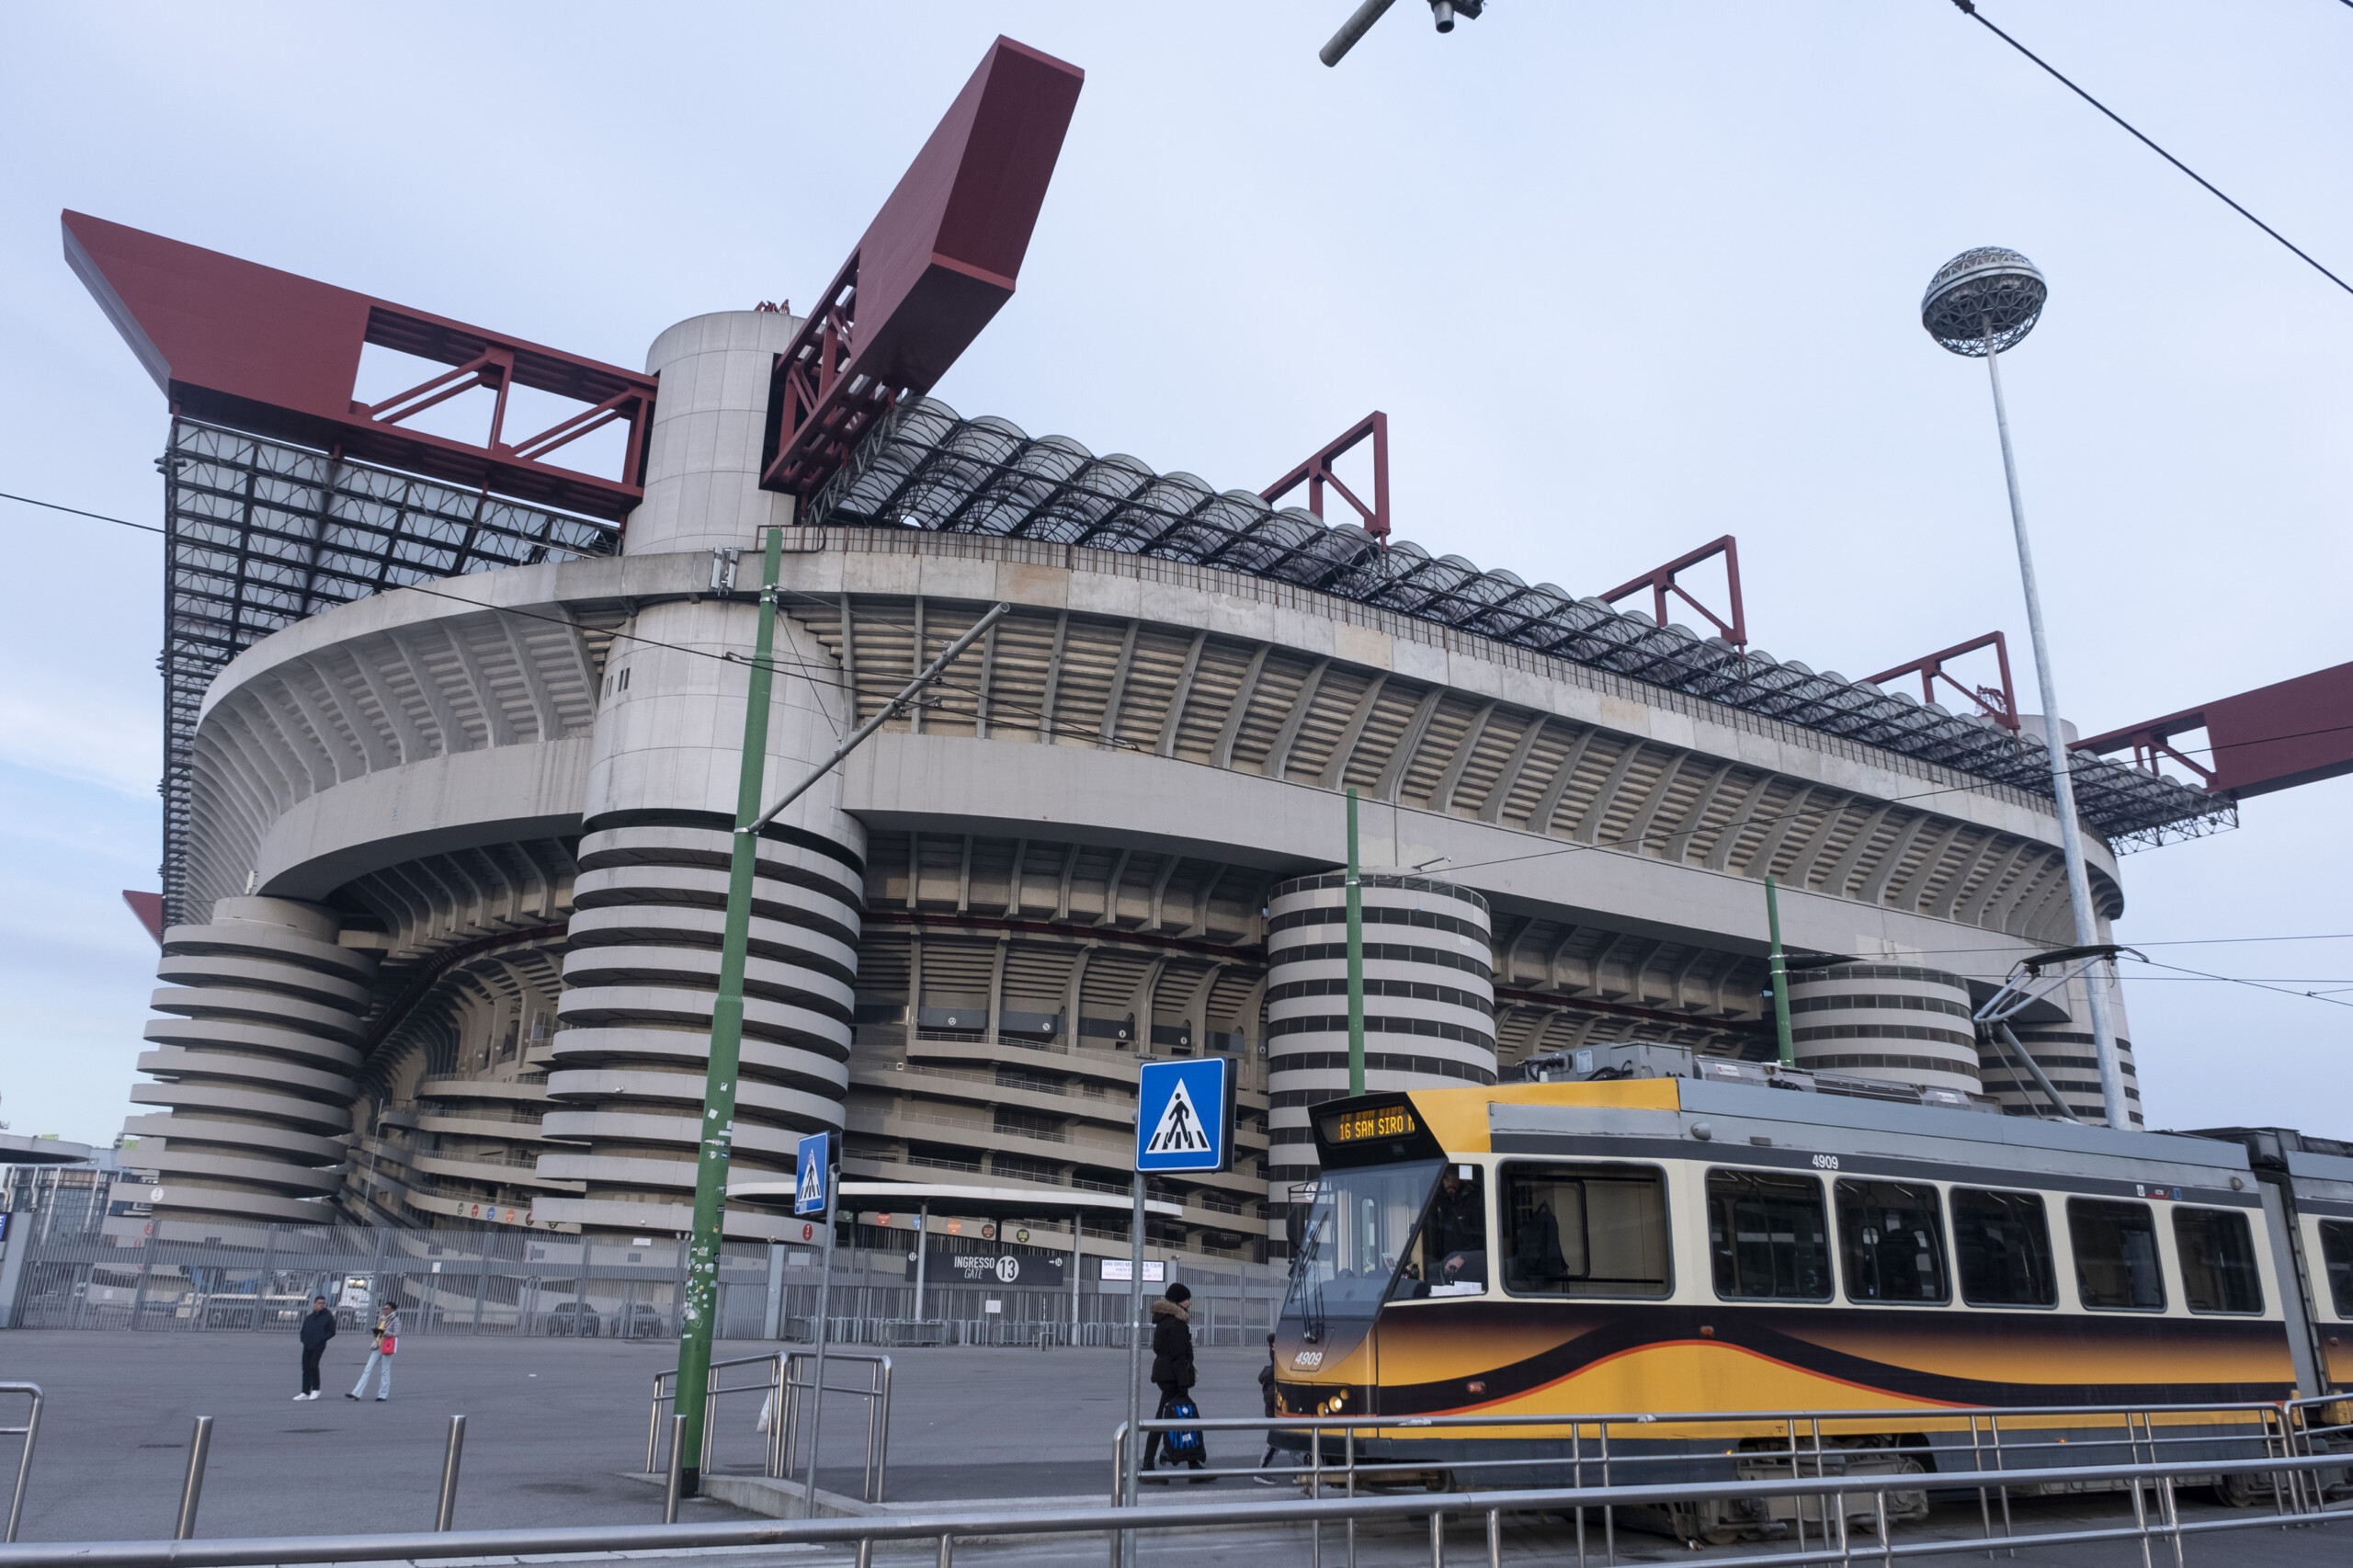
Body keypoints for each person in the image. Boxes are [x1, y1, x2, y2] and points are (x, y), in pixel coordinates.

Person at [1141, 1282, 1208, 1480]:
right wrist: (1183, 1384)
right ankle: (1148, 1465)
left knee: (1178, 1418)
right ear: (1179, 1301)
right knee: (1169, 1419)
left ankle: (1193, 1464)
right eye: (1187, 1298)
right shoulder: (1176, 1323)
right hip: (1173, 1378)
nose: (1190, 1302)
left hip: (1167, 1376)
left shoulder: (1165, 1321)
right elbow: (1179, 1357)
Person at [1425, 1165, 1487, 1288]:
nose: (1450, 1183)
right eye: (1447, 1179)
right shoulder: (1438, 1202)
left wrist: (1463, 1257)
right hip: (1445, 1263)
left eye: (1454, 1178)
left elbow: (1483, 1236)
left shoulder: (1472, 1201)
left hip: (1467, 1266)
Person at [347, 1302, 399, 1402]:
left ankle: (383, 1395)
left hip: (388, 1347)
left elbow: (396, 1334)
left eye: (387, 1309)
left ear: (392, 1310)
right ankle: (356, 1393)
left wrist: (384, 1332)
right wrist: (376, 1332)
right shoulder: (382, 1318)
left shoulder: (395, 1320)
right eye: (383, 1308)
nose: (384, 1310)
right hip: (379, 1345)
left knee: (385, 1371)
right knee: (367, 1368)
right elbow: (379, 1331)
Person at [294, 1295, 335, 1401]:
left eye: (323, 1303)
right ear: (314, 1304)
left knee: (313, 1365)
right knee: (306, 1367)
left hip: (319, 1345)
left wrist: (322, 1339)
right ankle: (304, 1391)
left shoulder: (328, 1316)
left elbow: (332, 1331)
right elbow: (304, 1330)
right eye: (319, 1303)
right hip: (308, 1345)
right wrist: (303, 1339)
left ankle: (316, 1389)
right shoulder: (310, 1317)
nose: (321, 1305)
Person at [1254, 1332, 1280, 1483]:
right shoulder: (1274, 1373)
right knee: (1275, 1442)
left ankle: (1301, 1473)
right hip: (1277, 1412)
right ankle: (1261, 1471)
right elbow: (1271, 1397)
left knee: (1292, 1444)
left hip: (1280, 1411)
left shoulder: (1275, 1369)